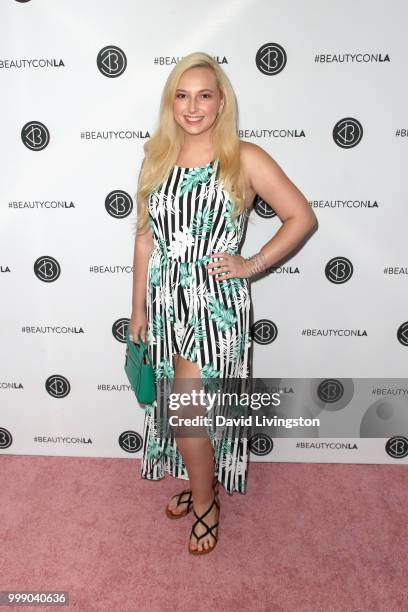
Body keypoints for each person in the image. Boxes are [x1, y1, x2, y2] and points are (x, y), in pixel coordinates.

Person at [129, 51, 317, 555]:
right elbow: (145, 237)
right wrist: (139, 308)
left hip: (216, 304)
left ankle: (207, 504)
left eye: (204, 95)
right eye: (182, 95)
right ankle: (200, 483)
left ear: (220, 102)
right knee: (184, 408)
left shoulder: (244, 157)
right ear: (171, 103)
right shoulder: (155, 156)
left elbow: (301, 218)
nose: (193, 107)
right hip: (166, 298)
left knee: (187, 410)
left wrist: (250, 264)